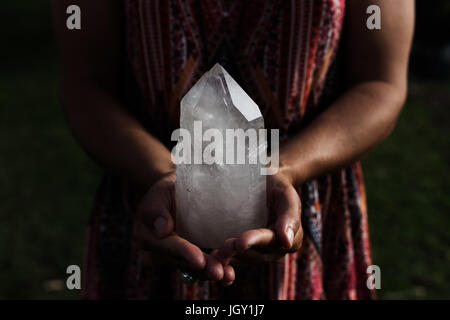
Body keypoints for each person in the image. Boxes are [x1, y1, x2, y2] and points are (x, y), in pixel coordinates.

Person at [53, 0, 414, 299]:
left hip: (305, 201)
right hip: (148, 198)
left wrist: (282, 169)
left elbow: (380, 83)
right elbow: (86, 84)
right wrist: (165, 173)